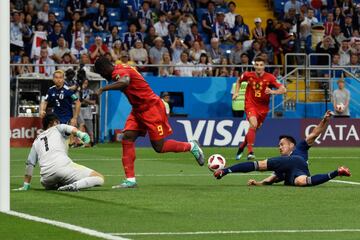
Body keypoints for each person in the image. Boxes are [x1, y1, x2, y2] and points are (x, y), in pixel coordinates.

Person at [94, 56, 205, 188]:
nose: (103, 76)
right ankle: (130, 180)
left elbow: (125, 82)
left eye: (101, 73)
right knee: (127, 137)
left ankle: (191, 146)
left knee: (160, 147)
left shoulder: (119, 72)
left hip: (152, 109)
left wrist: (103, 89)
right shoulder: (120, 68)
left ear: (104, 69)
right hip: (137, 110)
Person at [214, 111, 351, 186]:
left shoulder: (300, 148)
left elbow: (315, 133)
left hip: (297, 163)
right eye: (279, 145)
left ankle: (225, 171)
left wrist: (325, 120)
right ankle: (337, 172)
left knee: (259, 164)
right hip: (297, 173)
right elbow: (272, 179)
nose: (279, 147)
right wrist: (258, 183)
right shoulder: (281, 165)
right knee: (301, 182)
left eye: (282, 144)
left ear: (291, 145)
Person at [14, 113, 104, 191]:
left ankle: (62, 184)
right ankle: (75, 186)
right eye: (57, 121)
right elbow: (71, 129)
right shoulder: (57, 128)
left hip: (46, 179)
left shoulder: (37, 140)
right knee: (99, 178)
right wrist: (82, 134)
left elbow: (30, 164)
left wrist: (26, 185)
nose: (59, 123)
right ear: (52, 123)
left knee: (55, 180)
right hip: (63, 168)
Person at [232, 56, 287, 160]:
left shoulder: (270, 77)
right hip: (250, 104)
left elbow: (283, 89)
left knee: (253, 129)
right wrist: (236, 92)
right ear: (254, 65)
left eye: (261, 65)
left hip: (263, 108)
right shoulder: (248, 75)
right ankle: (250, 152)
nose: (259, 67)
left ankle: (242, 147)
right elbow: (239, 81)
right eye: (257, 65)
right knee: (253, 124)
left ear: (264, 66)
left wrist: (273, 92)